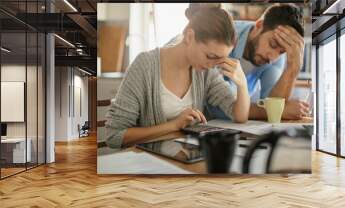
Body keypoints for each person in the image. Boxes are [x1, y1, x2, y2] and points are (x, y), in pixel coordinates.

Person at [105, 7, 250, 149]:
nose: (213, 65)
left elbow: (239, 116)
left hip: (184, 159)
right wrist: (173, 125)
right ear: (189, 36)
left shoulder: (205, 72)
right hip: (149, 162)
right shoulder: (145, 66)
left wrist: (242, 84)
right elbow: (115, 136)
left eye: (218, 60)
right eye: (210, 56)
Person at [169, 3, 310, 120]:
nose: (273, 57)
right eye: (273, 44)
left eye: (282, 52)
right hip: (186, 118)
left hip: (221, 127)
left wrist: (293, 68)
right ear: (259, 25)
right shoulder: (224, 38)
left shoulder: (273, 57)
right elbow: (222, 109)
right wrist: (274, 112)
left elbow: (272, 108)